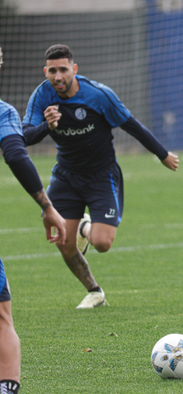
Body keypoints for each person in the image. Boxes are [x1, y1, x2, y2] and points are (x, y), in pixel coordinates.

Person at [22, 44, 179, 309]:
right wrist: (46, 126)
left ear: (74, 68)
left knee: (102, 243)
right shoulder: (41, 96)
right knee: (63, 242)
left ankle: (85, 227)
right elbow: (24, 137)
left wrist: (162, 154)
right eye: (52, 71)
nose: (57, 76)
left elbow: (132, 126)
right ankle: (94, 291)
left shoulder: (98, 95)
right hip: (66, 176)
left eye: (63, 69)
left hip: (100, 176)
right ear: (45, 71)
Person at [0, 47, 67, 394]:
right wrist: (47, 207)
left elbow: (18, 139)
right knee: (2, 319)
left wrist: (44, 126)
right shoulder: (2, 112)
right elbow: (14, 150)